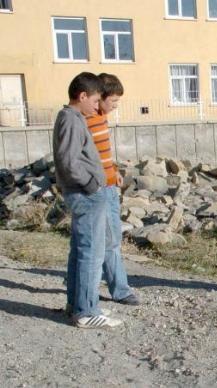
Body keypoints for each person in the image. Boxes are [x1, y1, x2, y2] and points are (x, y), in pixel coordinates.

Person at [53, 72, 122, 328]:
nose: (97, 106)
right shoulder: (71, 119)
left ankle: (76, 304)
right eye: (94, 101)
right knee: (91, 254)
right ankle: (86, 311)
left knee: (82, 251)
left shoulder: (72, 117)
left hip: (84, 192)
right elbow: (69, 162)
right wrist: (94, 186)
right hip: (85, 194)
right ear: (82, 96)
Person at [86, 73, 140, 306]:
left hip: (108, 183)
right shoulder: (88, 120)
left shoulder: (100, 118)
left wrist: (113, 169)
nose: (115, 107)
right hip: (98, 188)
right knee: (109, 240)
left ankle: (85, 286)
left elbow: (102, 153)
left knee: (104, 239)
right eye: (114, 101)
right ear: (100, 97)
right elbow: (87, 157)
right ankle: (120, 289)